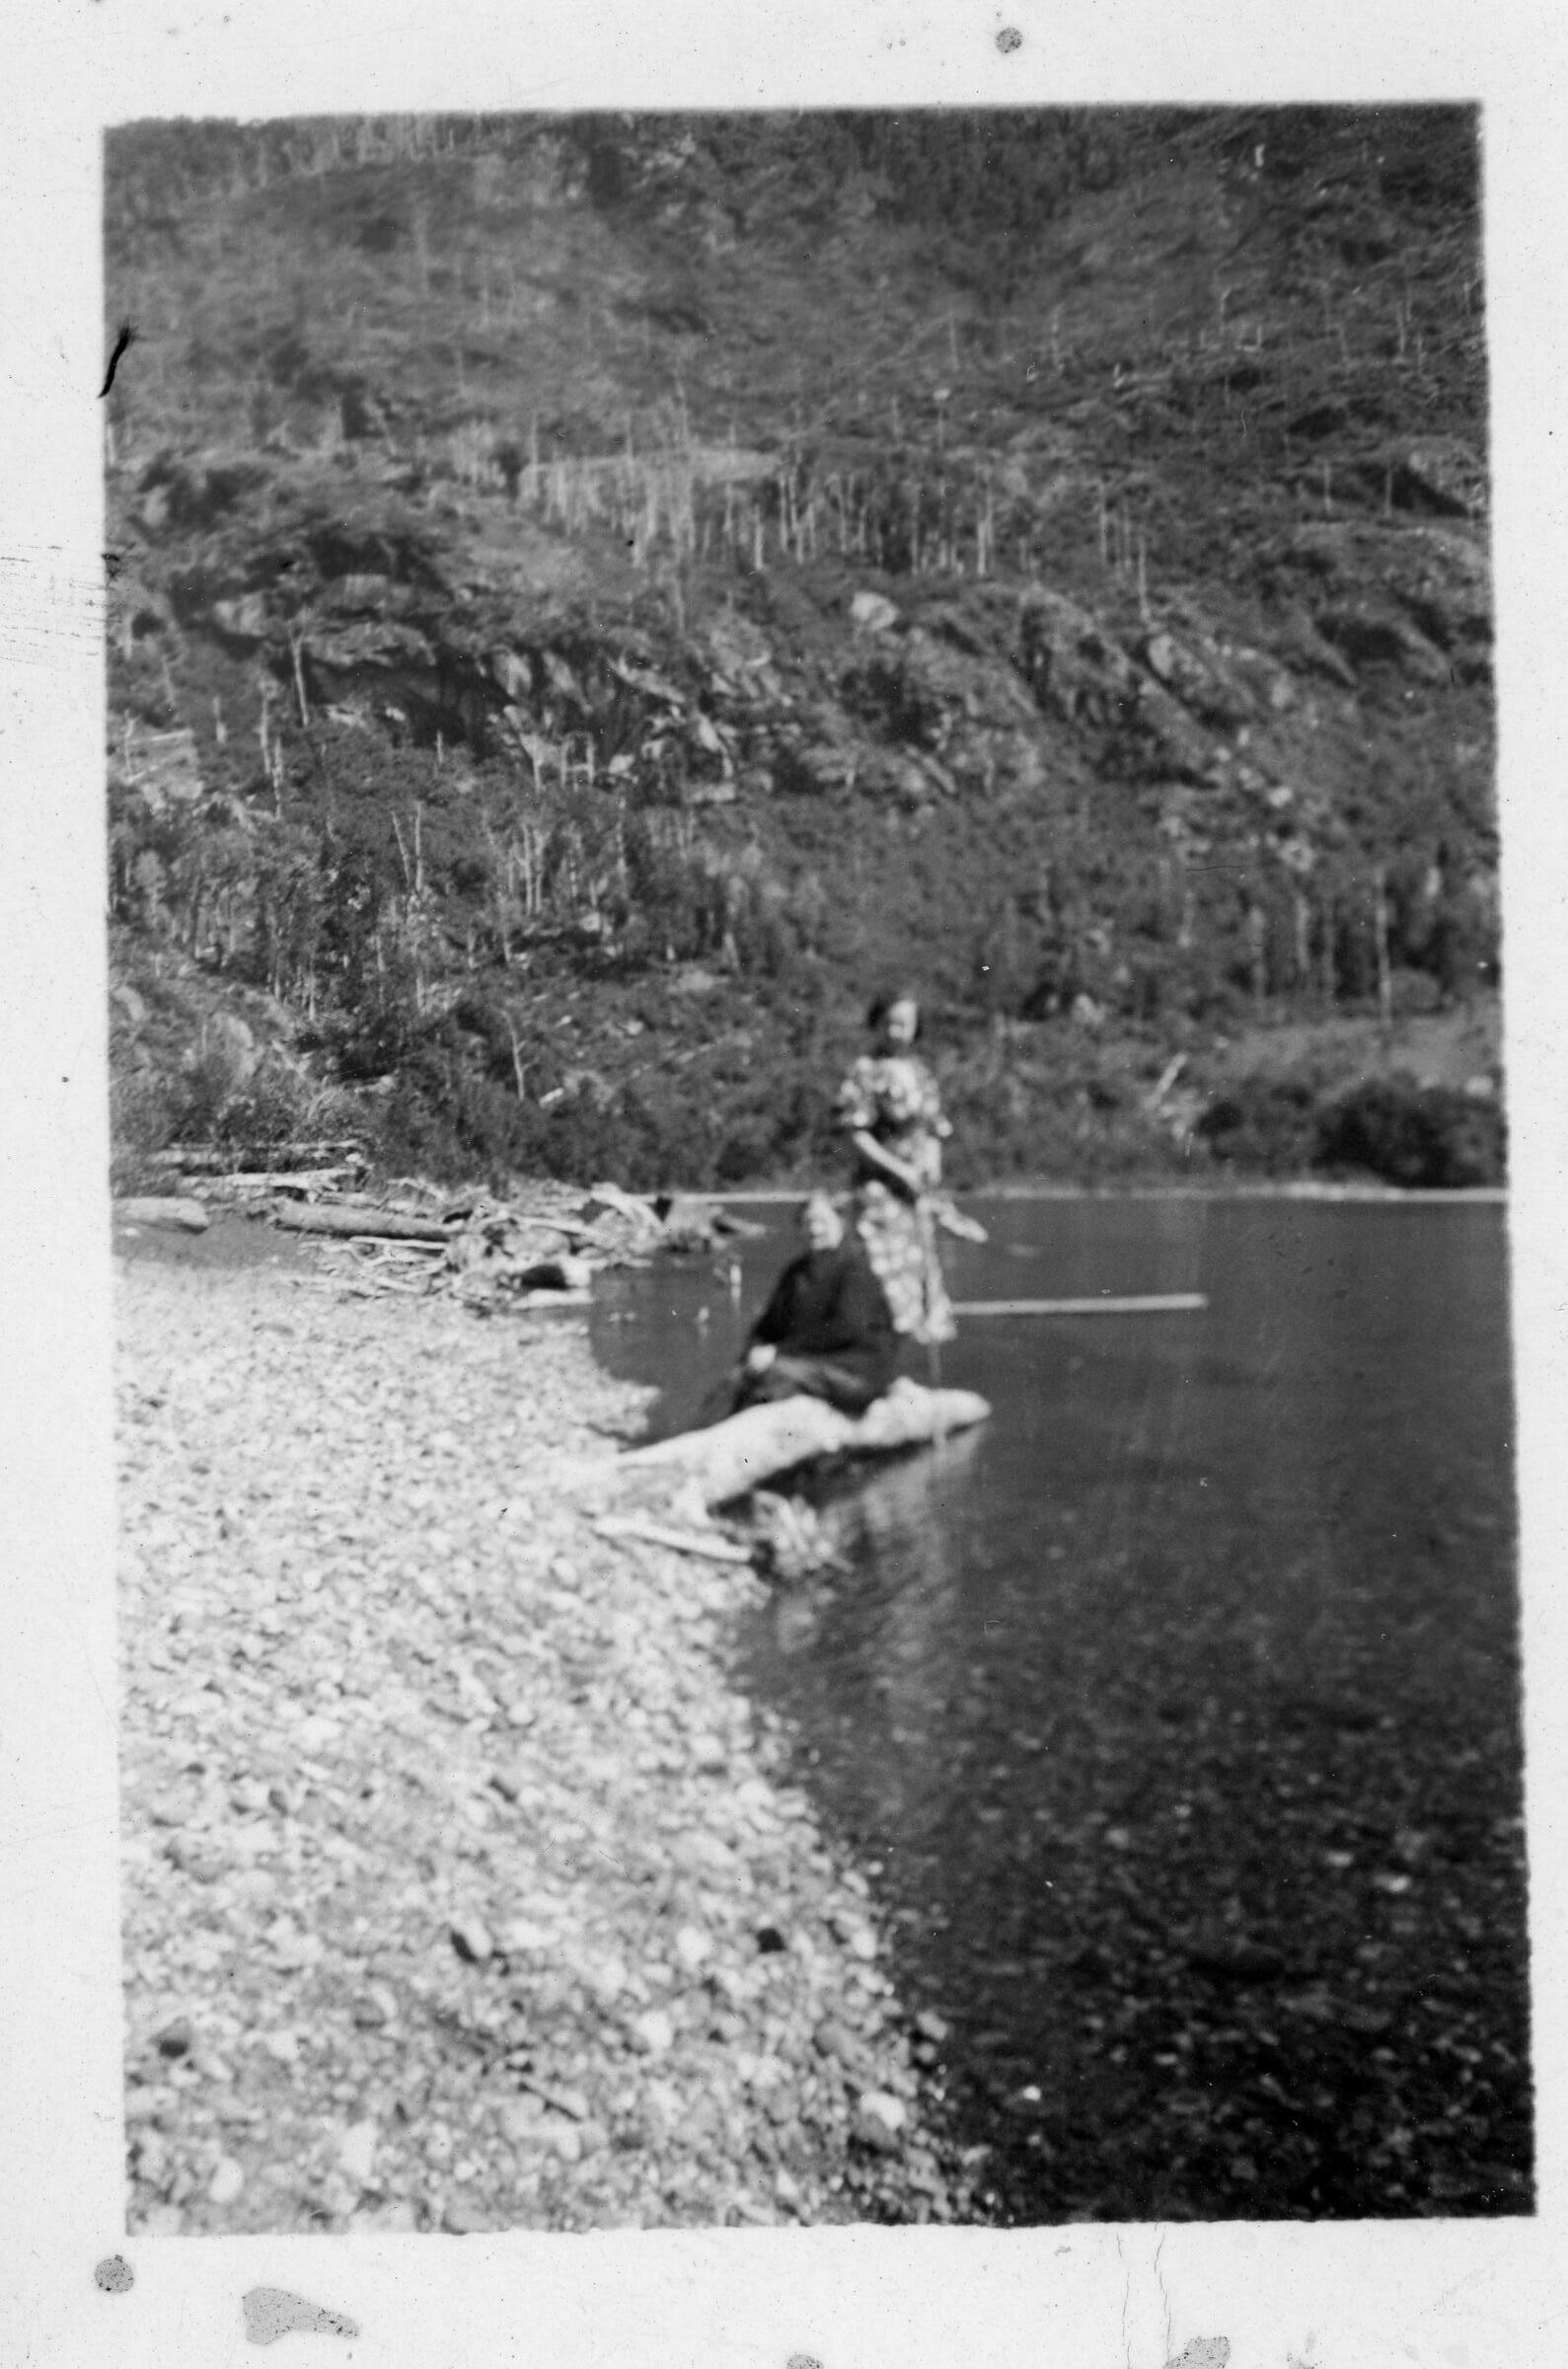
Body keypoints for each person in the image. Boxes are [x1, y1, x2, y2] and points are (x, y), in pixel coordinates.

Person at [834, 987, 985, 1351]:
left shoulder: (921, 1073)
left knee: (920, 1279)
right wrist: (900, 1170)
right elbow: (855, 1135)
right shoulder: (865, 1071)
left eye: (905, 1024)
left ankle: (913, 1362)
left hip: (916, 1194)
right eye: (889, 1023)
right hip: (878, 1191)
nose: (896, 1032)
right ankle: (873, 1361)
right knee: (878, 1276)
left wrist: (931, 1164)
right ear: (876, 1024)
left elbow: (933, 1129)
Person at [732, 1190, 898, 1416]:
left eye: (822, 1221)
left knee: (774, 1377)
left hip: (855, 1371)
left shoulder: (855, 1269)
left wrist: (779, 1351)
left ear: (841, 1223)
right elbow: (767, 1325)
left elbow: (847, 1328)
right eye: (808, 1222)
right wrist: (752, 1352)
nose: (815, 1229)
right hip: (806, 1364)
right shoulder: (795, 1272)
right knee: (737, 1379)